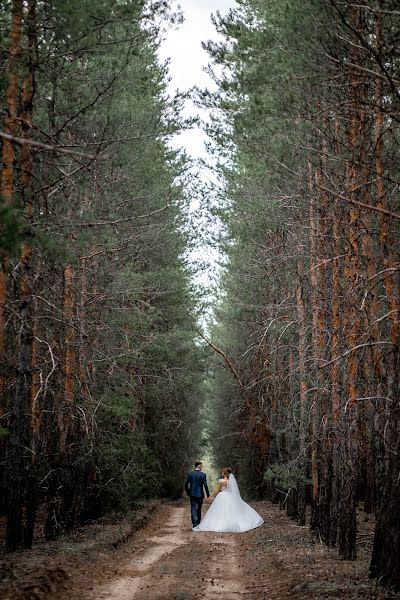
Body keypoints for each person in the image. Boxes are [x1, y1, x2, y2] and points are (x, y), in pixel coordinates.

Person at [193, 467, 263, 533]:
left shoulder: (221, 481)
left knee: (220, 511)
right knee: (231, 510)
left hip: (222, 496)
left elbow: (217, 490)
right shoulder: (231, 481)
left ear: (224, 473)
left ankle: (221, 524)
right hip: (230, 496)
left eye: (222, 472)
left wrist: (210, 497)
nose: (221, 473)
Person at [185, 460, 210, 528]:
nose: (202, 467)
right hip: (200, 494)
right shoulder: (203, 475)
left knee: (193, 508)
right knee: (199, 509)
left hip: (192, 494)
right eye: (201, 465)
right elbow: (205, 485)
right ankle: (198, 523)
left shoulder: (190, 474)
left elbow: (186, 484)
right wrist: (208, 495)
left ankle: (194, 523)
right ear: (198, 466)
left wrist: (188, 492)